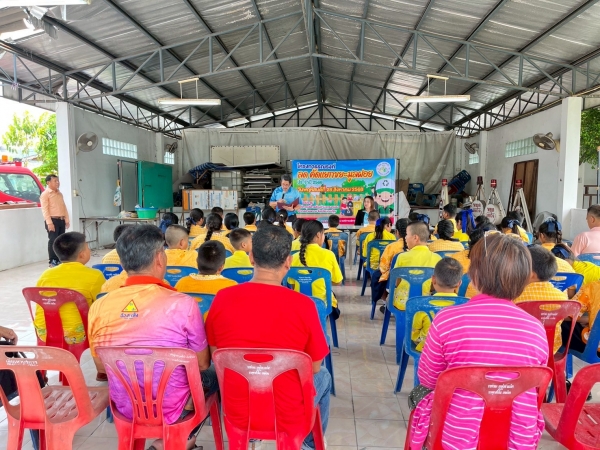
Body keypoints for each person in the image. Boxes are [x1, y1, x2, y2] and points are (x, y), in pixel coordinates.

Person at [408, 233, 548, 450]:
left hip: (454, 436)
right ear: (524, 280)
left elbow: (428, 379)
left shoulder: (447, 320)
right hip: (515, 437)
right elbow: (536, 387)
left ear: (473, 275)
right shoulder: (536, 329)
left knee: (417, 394)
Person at [88, 225, 217, 450]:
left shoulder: (99, 306)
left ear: (123, 263)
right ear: (159, 258)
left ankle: (173, 442)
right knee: (215, 373)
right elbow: (202, 363)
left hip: (126, 406)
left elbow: (101, 366)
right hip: (173, 406)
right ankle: (180, 439)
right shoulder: (182, 304)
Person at [205, 225, 330, 450]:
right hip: (288, 413)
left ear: (251, 257)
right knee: (325, 376)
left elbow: (217, 356)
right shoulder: (304, 306)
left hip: (237, 411)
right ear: (288, 261)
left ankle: (253, 437)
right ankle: (308, 445)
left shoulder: (222, 298)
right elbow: (314, 367)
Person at [34, 232, 104, 344]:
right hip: (77, 335)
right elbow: (103, 306)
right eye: (87, 247)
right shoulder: (95, 275)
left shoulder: (45, 275)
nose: (89, 250)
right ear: (82, 254)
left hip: (45, 333)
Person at [515, 245, 568, 354]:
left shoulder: (515, 295)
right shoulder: (562, 297)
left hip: (522, 349)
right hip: (551, 348)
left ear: (531, 274)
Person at [292, 220, 343, 319]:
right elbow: (338, 281)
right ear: (318, 235)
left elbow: (292, 283)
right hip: (323, 304)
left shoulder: (294, 257)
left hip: (299, 304)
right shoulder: (329, 255)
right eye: (323, 234)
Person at [411, 258, 463, 352]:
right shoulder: (466, 305)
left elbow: (415, 327)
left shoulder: (422, 304)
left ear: (433, 280)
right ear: (458, 284)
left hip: (427, 347)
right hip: (454, 349)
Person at [391, 222, 442, 311]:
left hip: (402, 304)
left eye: (407, 234)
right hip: (424, 303)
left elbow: (397, 282)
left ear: (415, 238)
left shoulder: (401, 257)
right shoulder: (437, 258)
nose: (405, 237)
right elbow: (434, 285)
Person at [370, 219, 409, 305]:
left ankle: (387, 302)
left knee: (378, 276)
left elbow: (383, 267)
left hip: (393, 283)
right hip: (417, 283)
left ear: (397, 232)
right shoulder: (416, 249)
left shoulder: (391, 247)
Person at [451, 226, 496, 298]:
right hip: (486, 302)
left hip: (459, 300)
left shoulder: (455, 257)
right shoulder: (494, 264)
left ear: (470, 243)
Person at [40, 174, 70, 267]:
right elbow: (45, 210)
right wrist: (49, 223)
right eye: (55, 181)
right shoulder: (45, 194)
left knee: (61, 241)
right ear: (48, 182)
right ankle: (52, 261)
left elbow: (64, 207)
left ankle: (60, 259)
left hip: (61, 220)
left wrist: (66, 219)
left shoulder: (59, 194)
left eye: (58, 181)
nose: (57, 183)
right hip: (52, 221)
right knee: (53, 240)